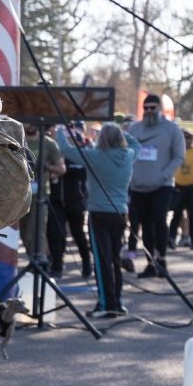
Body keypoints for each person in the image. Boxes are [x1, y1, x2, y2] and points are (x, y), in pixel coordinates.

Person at [56, 123, 140, 318]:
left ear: (102, 139)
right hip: (120, 212)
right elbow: (138, 145)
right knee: (115, 258)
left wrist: (60, 131)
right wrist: (122, 130)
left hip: (99, 212)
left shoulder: (95, 156)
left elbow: (66, 149)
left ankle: (105, 304)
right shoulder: (128, 156)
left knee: (102, 260)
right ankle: (117, 301)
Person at [128, 94, 185, 278]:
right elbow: (126, 152)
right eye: (146, 108)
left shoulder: (172, 129)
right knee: (145, 226)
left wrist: (164, 174)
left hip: (162, 185)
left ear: (160, 109)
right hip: (139, 186)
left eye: (153, 108)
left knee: (159, 219)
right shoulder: (134, 129)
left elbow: (179, 156)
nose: (149, 111)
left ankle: (162, 259)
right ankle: (151, 263)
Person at [47, 122, 91, 278]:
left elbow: (76, 172)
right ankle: (57, 265)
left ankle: (86, 262)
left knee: (78, 233)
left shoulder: (80, 156)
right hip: (57, 200)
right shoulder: (56, 153)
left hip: (75, 201)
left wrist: (60, 169)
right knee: (56, 234)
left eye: (72, 141)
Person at [20, 123, 65, 265]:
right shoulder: (17, 140)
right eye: (27, 121)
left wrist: (47, 167)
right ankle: (33, 258)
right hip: (21, 195)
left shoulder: (48, 143)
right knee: (25, 234)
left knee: (38, 231)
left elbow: (62, 168)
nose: (30, 125)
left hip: (41, 195)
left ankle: (40, 261)